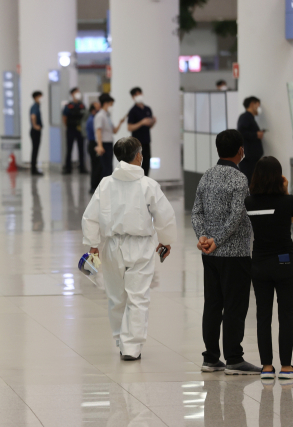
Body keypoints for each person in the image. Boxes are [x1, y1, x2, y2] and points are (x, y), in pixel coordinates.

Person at [82, 136, 176, 360]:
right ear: (138, 156)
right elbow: (165, 216)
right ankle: (131, 347)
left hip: (111, 246)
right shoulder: (148, 185)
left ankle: (120, 340)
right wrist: (165, 240)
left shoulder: (106, 183)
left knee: (116, 297)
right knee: (138, 297)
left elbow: (90, 217)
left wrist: (93, 246)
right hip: (140, 246)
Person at [191, 129, 260, 375]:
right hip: (235, 254)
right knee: (234, 305)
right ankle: (233, 358)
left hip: (209, 253)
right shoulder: (239, 179)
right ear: (241, 151)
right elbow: (237, 216)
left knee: (212, 304)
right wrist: (218, 240)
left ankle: (210, 357)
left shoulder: (206, 176)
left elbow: (196, 212)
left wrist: (203, 238)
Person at [245, 156, 293, 380]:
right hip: (285, 260)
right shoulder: (289, 201)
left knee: (263, 315)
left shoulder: (250, 203)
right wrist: (285, 192)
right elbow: (292, 219)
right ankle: (286, 368)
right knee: (286, 314)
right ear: (279, 177)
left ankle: (267, 367)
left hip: (259, 262)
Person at [94, 93, 126, 178]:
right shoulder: (100, 116)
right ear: (105, 104)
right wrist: (100, 146)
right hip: (104, 144)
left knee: (109, 167)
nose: (112, 107)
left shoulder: (107, 116)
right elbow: (98, 131)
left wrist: (120, 123)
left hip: (109, 144)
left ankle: (108, 188)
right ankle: (104, 188)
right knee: (105, 168)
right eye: (111, 104)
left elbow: (114, 131)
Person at [127, 87, 156, 177]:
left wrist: (153, 122)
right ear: (133, 97)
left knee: (147, 163)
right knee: (138, 165)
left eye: (139, 94)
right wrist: (141, 122)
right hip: (137, 143)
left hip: (146, 141)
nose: (138, 96)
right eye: (136, 95)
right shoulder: (133, 111)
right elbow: (129, 127)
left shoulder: (147, 109)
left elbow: (149, 125)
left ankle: (145, 181)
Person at [238, 96, 264, 183]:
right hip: (248, 159)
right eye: (258, 105)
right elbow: (241, 132)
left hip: (252, 158)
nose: (259, 108)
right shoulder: (245, 117)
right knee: (249, 182)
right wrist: (255, 135)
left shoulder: (250, 118)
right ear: (252, 104)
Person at [62, 87, 87, 174]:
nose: (78, 94)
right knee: (69, 149)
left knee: (81, 150)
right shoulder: (68, 106)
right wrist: (68, 126)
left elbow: (85, 117)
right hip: (71, 129)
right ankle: (68, 168)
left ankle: (82, 168)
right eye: (76, 92)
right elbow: (64, 118)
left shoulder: (82, 105)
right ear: (72, 94)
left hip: (80, 130)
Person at [86, 101, 102, 193]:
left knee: (98, 166)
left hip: (94, 143)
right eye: (97, 108)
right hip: (93, 144)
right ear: (93, 110)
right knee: (96, 166)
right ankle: (93, 186)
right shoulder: (92, 120)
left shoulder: (95, 119)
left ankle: (96, 185)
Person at [30, 91, 44, 176]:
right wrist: (35, 125)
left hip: (36, 131)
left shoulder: (37, 106)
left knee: (35, 150)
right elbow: (33, 116)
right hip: (35, 131)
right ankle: (33, 169)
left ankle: (34, 168)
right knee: (35, 150)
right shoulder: (35, 106)